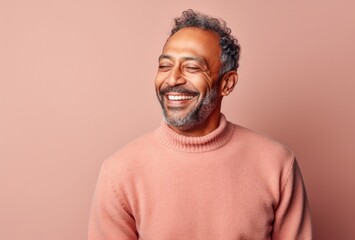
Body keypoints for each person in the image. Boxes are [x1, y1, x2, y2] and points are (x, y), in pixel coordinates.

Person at [88, 9, 312, 240]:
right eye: (165, 66)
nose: (173, 79)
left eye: (192, 67)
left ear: (227, 83)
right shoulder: (119, 172)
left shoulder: (276, 163)